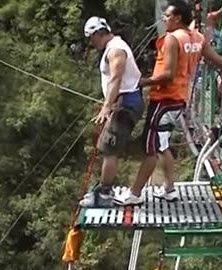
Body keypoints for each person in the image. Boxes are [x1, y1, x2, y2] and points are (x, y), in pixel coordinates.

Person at [114, 0, 222, 205]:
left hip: (164, 99)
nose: (164, 19)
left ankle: (135, 193)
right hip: (179, 99)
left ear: (178, 18)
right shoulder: (197, 38)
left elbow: (167, 74)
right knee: (162, 144)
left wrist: (142, 82)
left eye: (167, 16)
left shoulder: (172, 39)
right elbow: (219, 61)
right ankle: (169, 188)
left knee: (149, 147)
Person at [79, 16, 145, 207]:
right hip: (122, 103)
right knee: (106, 147)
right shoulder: (114, 46)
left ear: (99, 34)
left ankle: (105, 193)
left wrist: (107, 106)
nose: (91, 43)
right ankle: (104, 189)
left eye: (92, 38)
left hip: (124, 105)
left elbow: (116, 78)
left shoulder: (116, 50)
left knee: (109, 148)